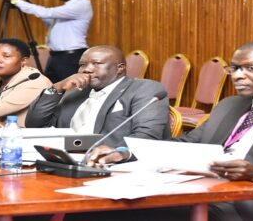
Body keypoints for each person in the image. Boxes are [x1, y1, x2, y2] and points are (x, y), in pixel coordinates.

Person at [80, 40, 253, 221]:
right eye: (235, 68)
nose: (238, 76)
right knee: (99, 205)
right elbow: (184, 143)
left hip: (245, 201)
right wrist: (123, 153)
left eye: (251, 68)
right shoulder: (230, 106)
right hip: (204, 188)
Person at [25, 45, 170, 151]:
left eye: (97, 64)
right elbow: (35, 125)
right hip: (65, 159)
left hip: (114, 163)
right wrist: (56, 88)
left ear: (120, 68)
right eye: (82, 65)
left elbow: (147, 137)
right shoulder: (75, 92)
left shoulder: (144, 89)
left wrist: (116, 153)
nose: (87, 69)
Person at [2, 0, 93, 83]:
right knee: (51, 88)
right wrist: (27, 6)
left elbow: (46, 13)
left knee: (71, 89)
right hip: (57, 56)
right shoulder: (69, 7)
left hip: (70, 57)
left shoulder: (81, 5)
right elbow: (49, 20)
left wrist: (15, 1)